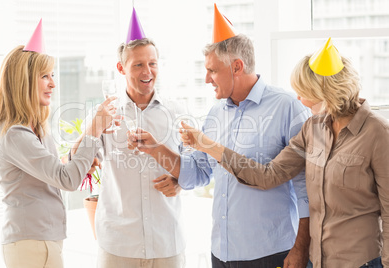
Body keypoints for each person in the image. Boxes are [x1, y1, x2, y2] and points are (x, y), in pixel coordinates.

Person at [178, 38, 389, 268]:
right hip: (318, 261)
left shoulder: (377, 132)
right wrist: (210, 146)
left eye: (304, 91)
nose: (298, 98)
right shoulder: (312, 129)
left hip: (362, 262)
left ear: (326, 92)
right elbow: (269, 175)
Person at [129, 5, 311, 267]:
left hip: (273, 252)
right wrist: (155, 148)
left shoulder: (286, 107)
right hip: (222, 253)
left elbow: (306, 188)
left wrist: (301, 248)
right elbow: (197, 173)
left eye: (213, 70)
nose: (206, 79)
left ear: (237, 66)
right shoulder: (215, 113)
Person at [0, 21, 115, 268]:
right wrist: (92, 130)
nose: (53, 84)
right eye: (45, 76)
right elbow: (66, 180)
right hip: (31, 241)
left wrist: (79, 150)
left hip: (41, 238)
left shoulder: (33, 128)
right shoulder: (15, 134)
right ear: (23, 82)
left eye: (52, 75)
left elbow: (53, 170)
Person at [71, 8, 185, 268]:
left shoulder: (176, 111)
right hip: (118, 246)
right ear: (121, 68)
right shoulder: (104, 113)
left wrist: (181, 181)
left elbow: (197, 166)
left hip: (167, 243)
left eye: (152, 63)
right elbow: (73, 163)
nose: (148, 71)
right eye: (138, 65)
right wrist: (93, 125)